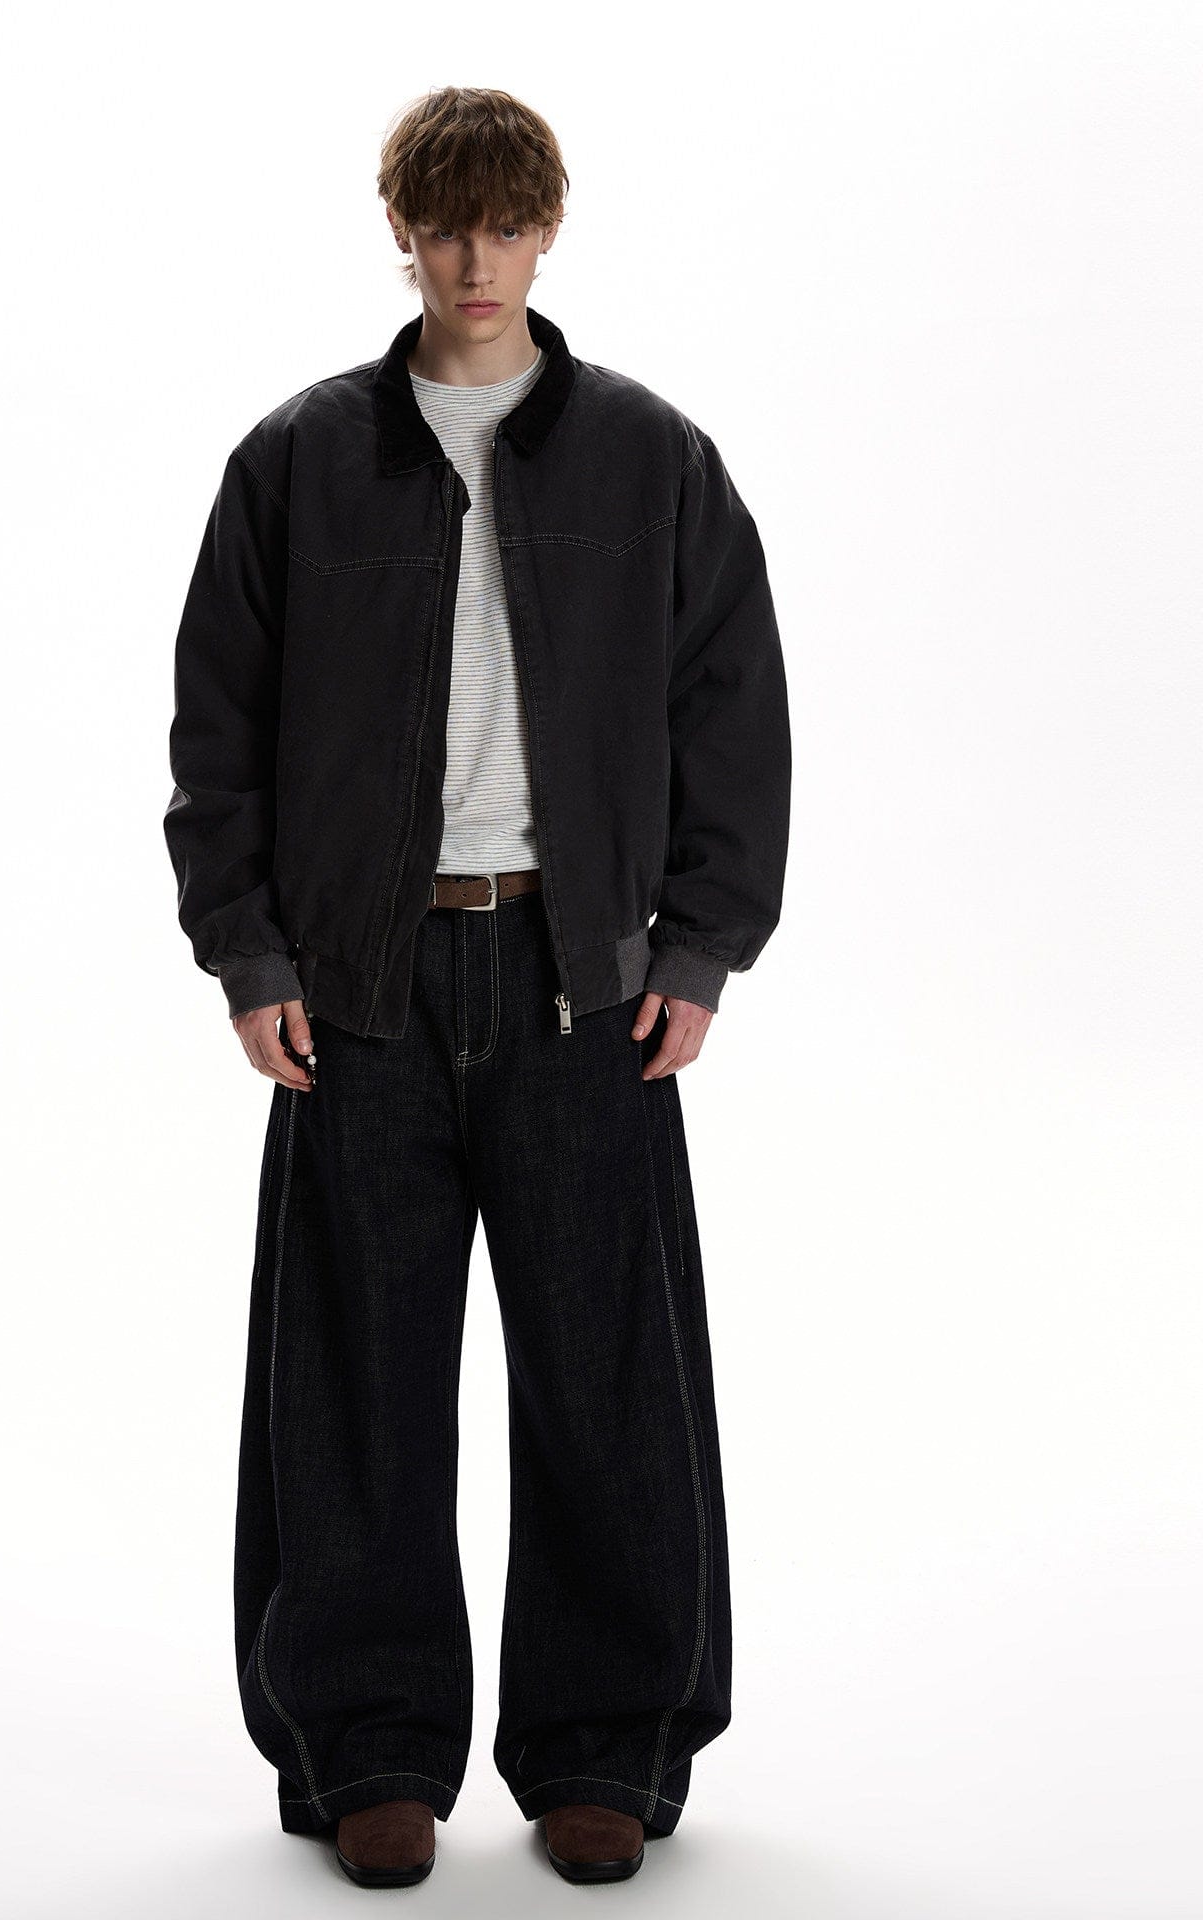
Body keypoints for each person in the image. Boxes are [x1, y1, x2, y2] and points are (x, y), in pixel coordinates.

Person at [163, 86, 791, 1888]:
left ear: (547, 231)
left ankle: (606, 1748)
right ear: (402, 233)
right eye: (445, 226)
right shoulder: (298, 460)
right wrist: (251, 955)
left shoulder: (652, 459)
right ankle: (367, 1749)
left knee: (610, 1381)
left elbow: (734, 712)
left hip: (584, 981)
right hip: (356, 987)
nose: (475, 260)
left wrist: (699, 947)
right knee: (351, 1384)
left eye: (506, 225)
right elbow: (216, 730)